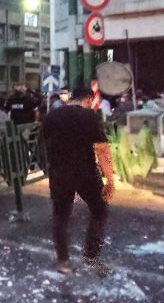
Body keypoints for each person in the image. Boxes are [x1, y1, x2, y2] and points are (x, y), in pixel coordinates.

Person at [41, 87, 116, 275]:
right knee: (99, 211)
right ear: (88, 100)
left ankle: (63, 262)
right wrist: (109, 179)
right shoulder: (89, 116)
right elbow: (102, 149)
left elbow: (41, 144)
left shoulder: (51, 116)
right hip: (86, 173)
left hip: (59, 172)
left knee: (61, 216)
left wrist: (50, 166)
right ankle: (91, 258)